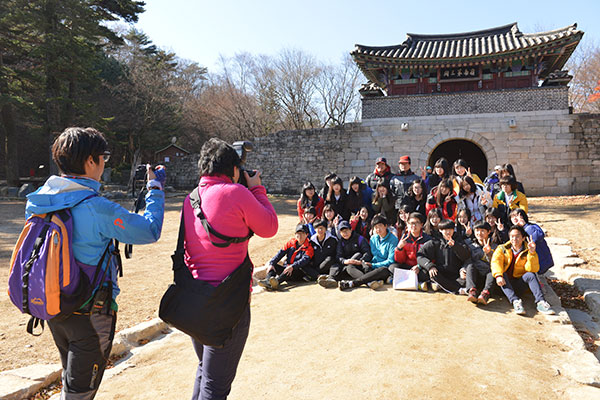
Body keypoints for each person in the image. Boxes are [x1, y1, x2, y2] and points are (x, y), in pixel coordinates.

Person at [25, 127, 165, 400]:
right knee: (80, 394)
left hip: (52, 305)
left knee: (72, 382)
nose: (104, 164)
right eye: (104, 157)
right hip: (90, 314)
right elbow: (149, 230)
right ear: (90, 161)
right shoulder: (97, 207)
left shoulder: (40, 199)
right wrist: (155, 189)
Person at [184, 138, 278, 399]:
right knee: (215, 388)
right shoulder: (236, 193)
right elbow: (270, 226)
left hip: (194, 299)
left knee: (205, 370)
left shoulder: (190, 198)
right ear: (234, 170)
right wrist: (257, 189)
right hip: (228, 304)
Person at [491, 225, 555, 315]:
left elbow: (532, 269)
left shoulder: (527, 250)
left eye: (517, 236)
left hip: (518, 284)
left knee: (530, 275)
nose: (514, 239)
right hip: (503, 285)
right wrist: (498, 276)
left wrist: (532, 253)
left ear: (523, 237)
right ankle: (515, 302)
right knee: (502, 273)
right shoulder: (502, 249)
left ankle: (540, 302)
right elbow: (495, 262)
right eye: (512, 236)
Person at [339, 214, 399, 290]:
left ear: (385, 226)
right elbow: (370, 254)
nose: (378, 229)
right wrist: (362, 262)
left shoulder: (393, 239)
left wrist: (373, 265)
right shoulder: (373, 238)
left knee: (382, 270)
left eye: (380, 226)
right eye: (376, 227)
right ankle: (370, 281)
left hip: (383, 268)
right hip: (370, 266)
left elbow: (391, 260)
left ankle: (353, 283)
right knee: (350, 267)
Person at [417, 219, 471, 293]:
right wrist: (430, 266)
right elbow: (420, 255)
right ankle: (457, 289)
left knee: (468, 279)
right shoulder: (435, 242)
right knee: (428, 273)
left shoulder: (459, 240)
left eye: (450, 229)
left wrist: (455, 246)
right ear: (440, 230)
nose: (448, 232)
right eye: (445, 229)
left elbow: (466, 256)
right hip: (440, 273)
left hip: (456, 275)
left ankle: (443, 286)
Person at [260, 224, 316, 289]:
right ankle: (268, 281)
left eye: (302, 233)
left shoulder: (309, 247)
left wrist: (292, 266)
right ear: (295, 234)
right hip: (287, 268)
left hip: (297, 271)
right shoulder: (290, 243)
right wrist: (272, 263)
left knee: (288, 270)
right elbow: (280, 253)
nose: (300, 236)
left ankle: (277, 282)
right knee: (273, 266)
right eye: (298, 233)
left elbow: (304, 260)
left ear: (307, 235)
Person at [318, 220, 371, 288]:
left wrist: (360, 261)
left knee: (353, 263)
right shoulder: (340, 242)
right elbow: (338, 256)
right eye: (342, 231)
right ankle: (331, 279)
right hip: (345, 264)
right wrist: (345, 261)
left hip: (358, 264)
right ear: (340, 232)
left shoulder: (360, 239)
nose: (345, 233)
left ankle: (367, 280)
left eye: (346, 230)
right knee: (335, 266)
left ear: (351, 230)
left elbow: (367, 252)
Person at [392, 212, 431, 290]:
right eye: (411, 223)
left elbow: (431, 258)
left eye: (417, 223)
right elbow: (400, 260)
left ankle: (415, 281)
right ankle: (418, 282)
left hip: (421, 268)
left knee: (429, 273)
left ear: (421, 225)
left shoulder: (427, 239)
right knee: (392, 267)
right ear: (408, 225)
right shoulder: (405, 238)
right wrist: (399, 248)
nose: (414, 226)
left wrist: (419, 266)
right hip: (408, 267)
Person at [510, 208, 554, 275]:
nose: (515, 218)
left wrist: (524, 225)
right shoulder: (513, 230)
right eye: (512, 217)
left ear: (523, 216)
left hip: (540, 261)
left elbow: (538, 236)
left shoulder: (532, 226)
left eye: (517, 216)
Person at [464, 221, 497, 305]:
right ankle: (472, 291)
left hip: (488, 278)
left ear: (488, 232)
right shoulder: (471, 245)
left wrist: (488, 253)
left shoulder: (495, 247)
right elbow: (467, 260)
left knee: (492, 272)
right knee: (470, 266)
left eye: (482, 230)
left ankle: (485, 294)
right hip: (476, 277)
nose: (479, 233)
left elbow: (495, 264)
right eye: (477, 230)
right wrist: (462, 269)